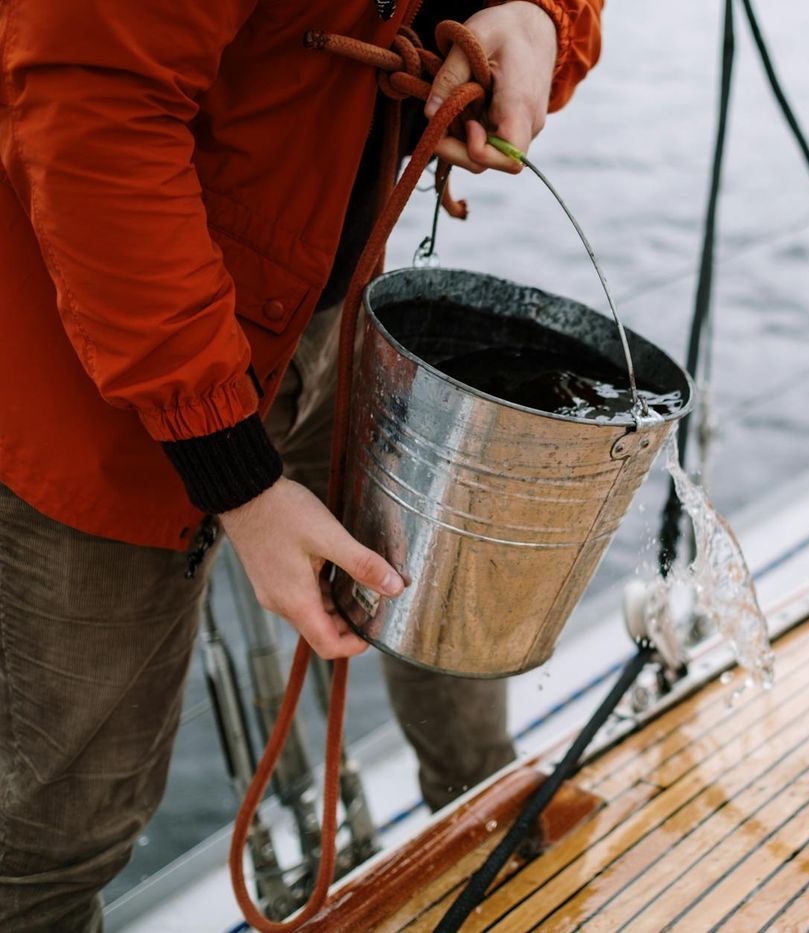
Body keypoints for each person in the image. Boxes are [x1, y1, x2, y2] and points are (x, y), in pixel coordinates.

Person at [0, 0, 604, 928]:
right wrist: (236, 475)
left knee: (437, 586)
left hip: (319, 287)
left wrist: (537, 19)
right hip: (74, 365)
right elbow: (92, 127)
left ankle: (491, 842)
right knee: (48, 839)